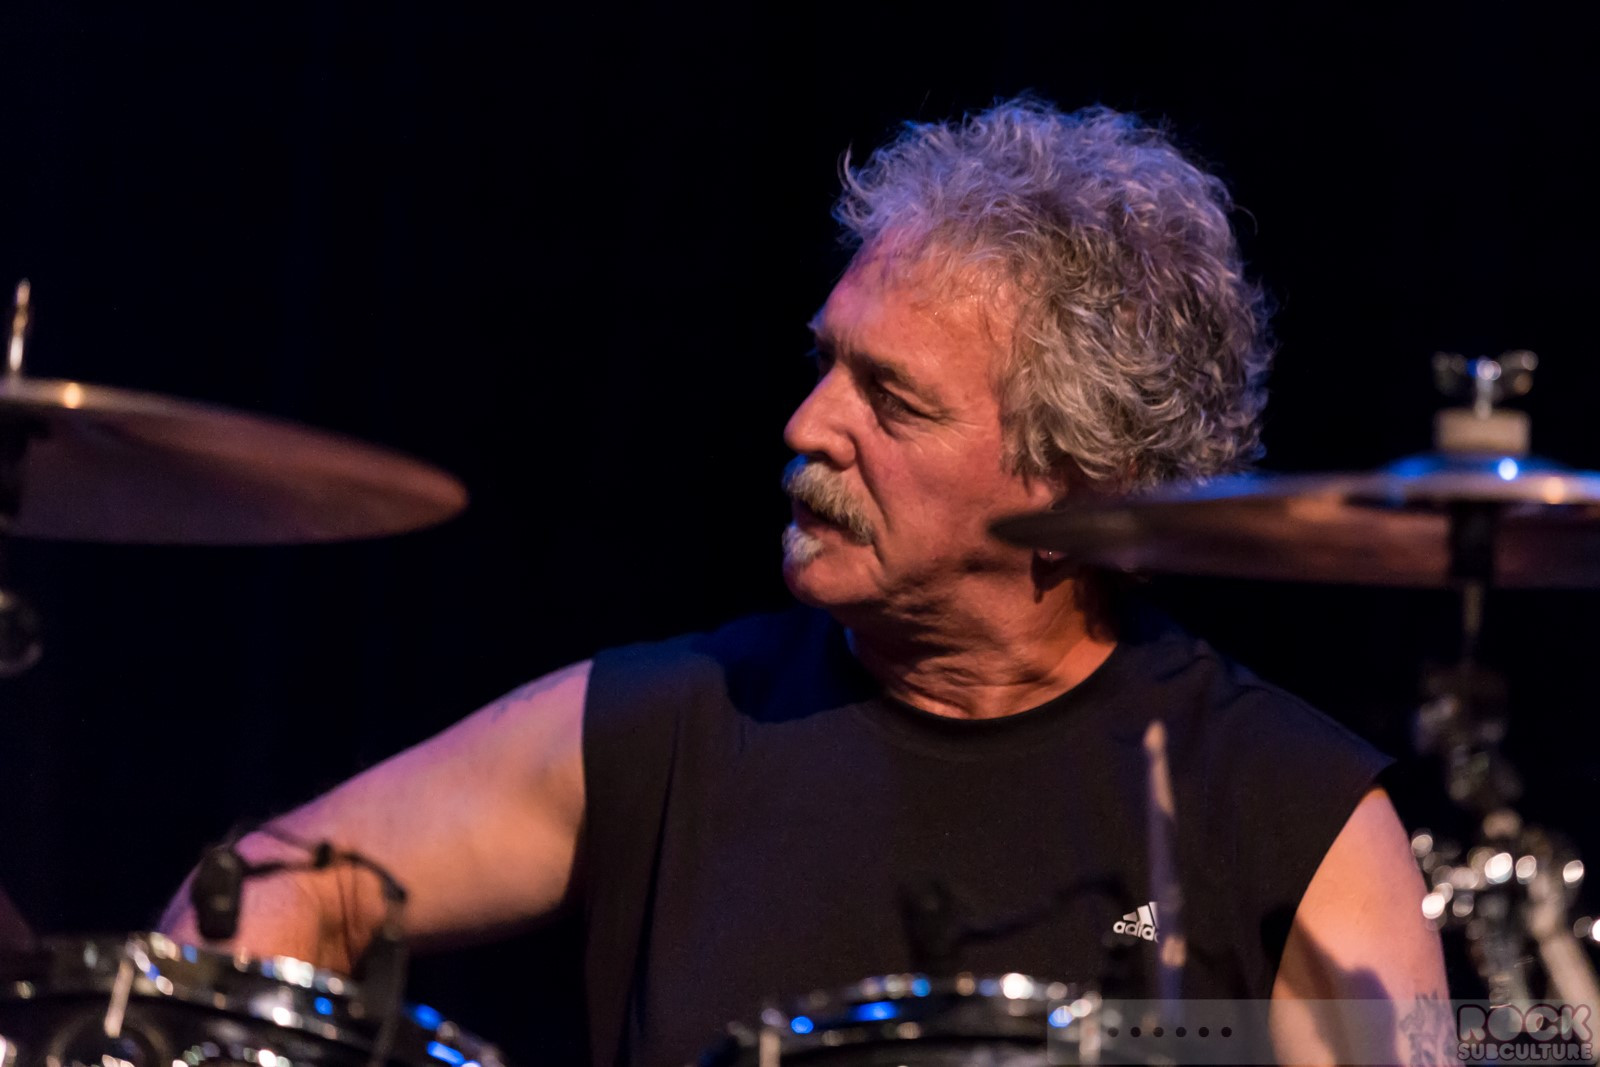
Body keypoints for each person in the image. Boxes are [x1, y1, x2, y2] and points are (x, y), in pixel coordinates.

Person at [162, 100, 1449, 1066]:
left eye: (891, 398)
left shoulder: (1291, 816)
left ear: (1081, 483)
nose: (806, 423)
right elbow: (282, 883)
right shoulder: (668, 726)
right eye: (828, 362)